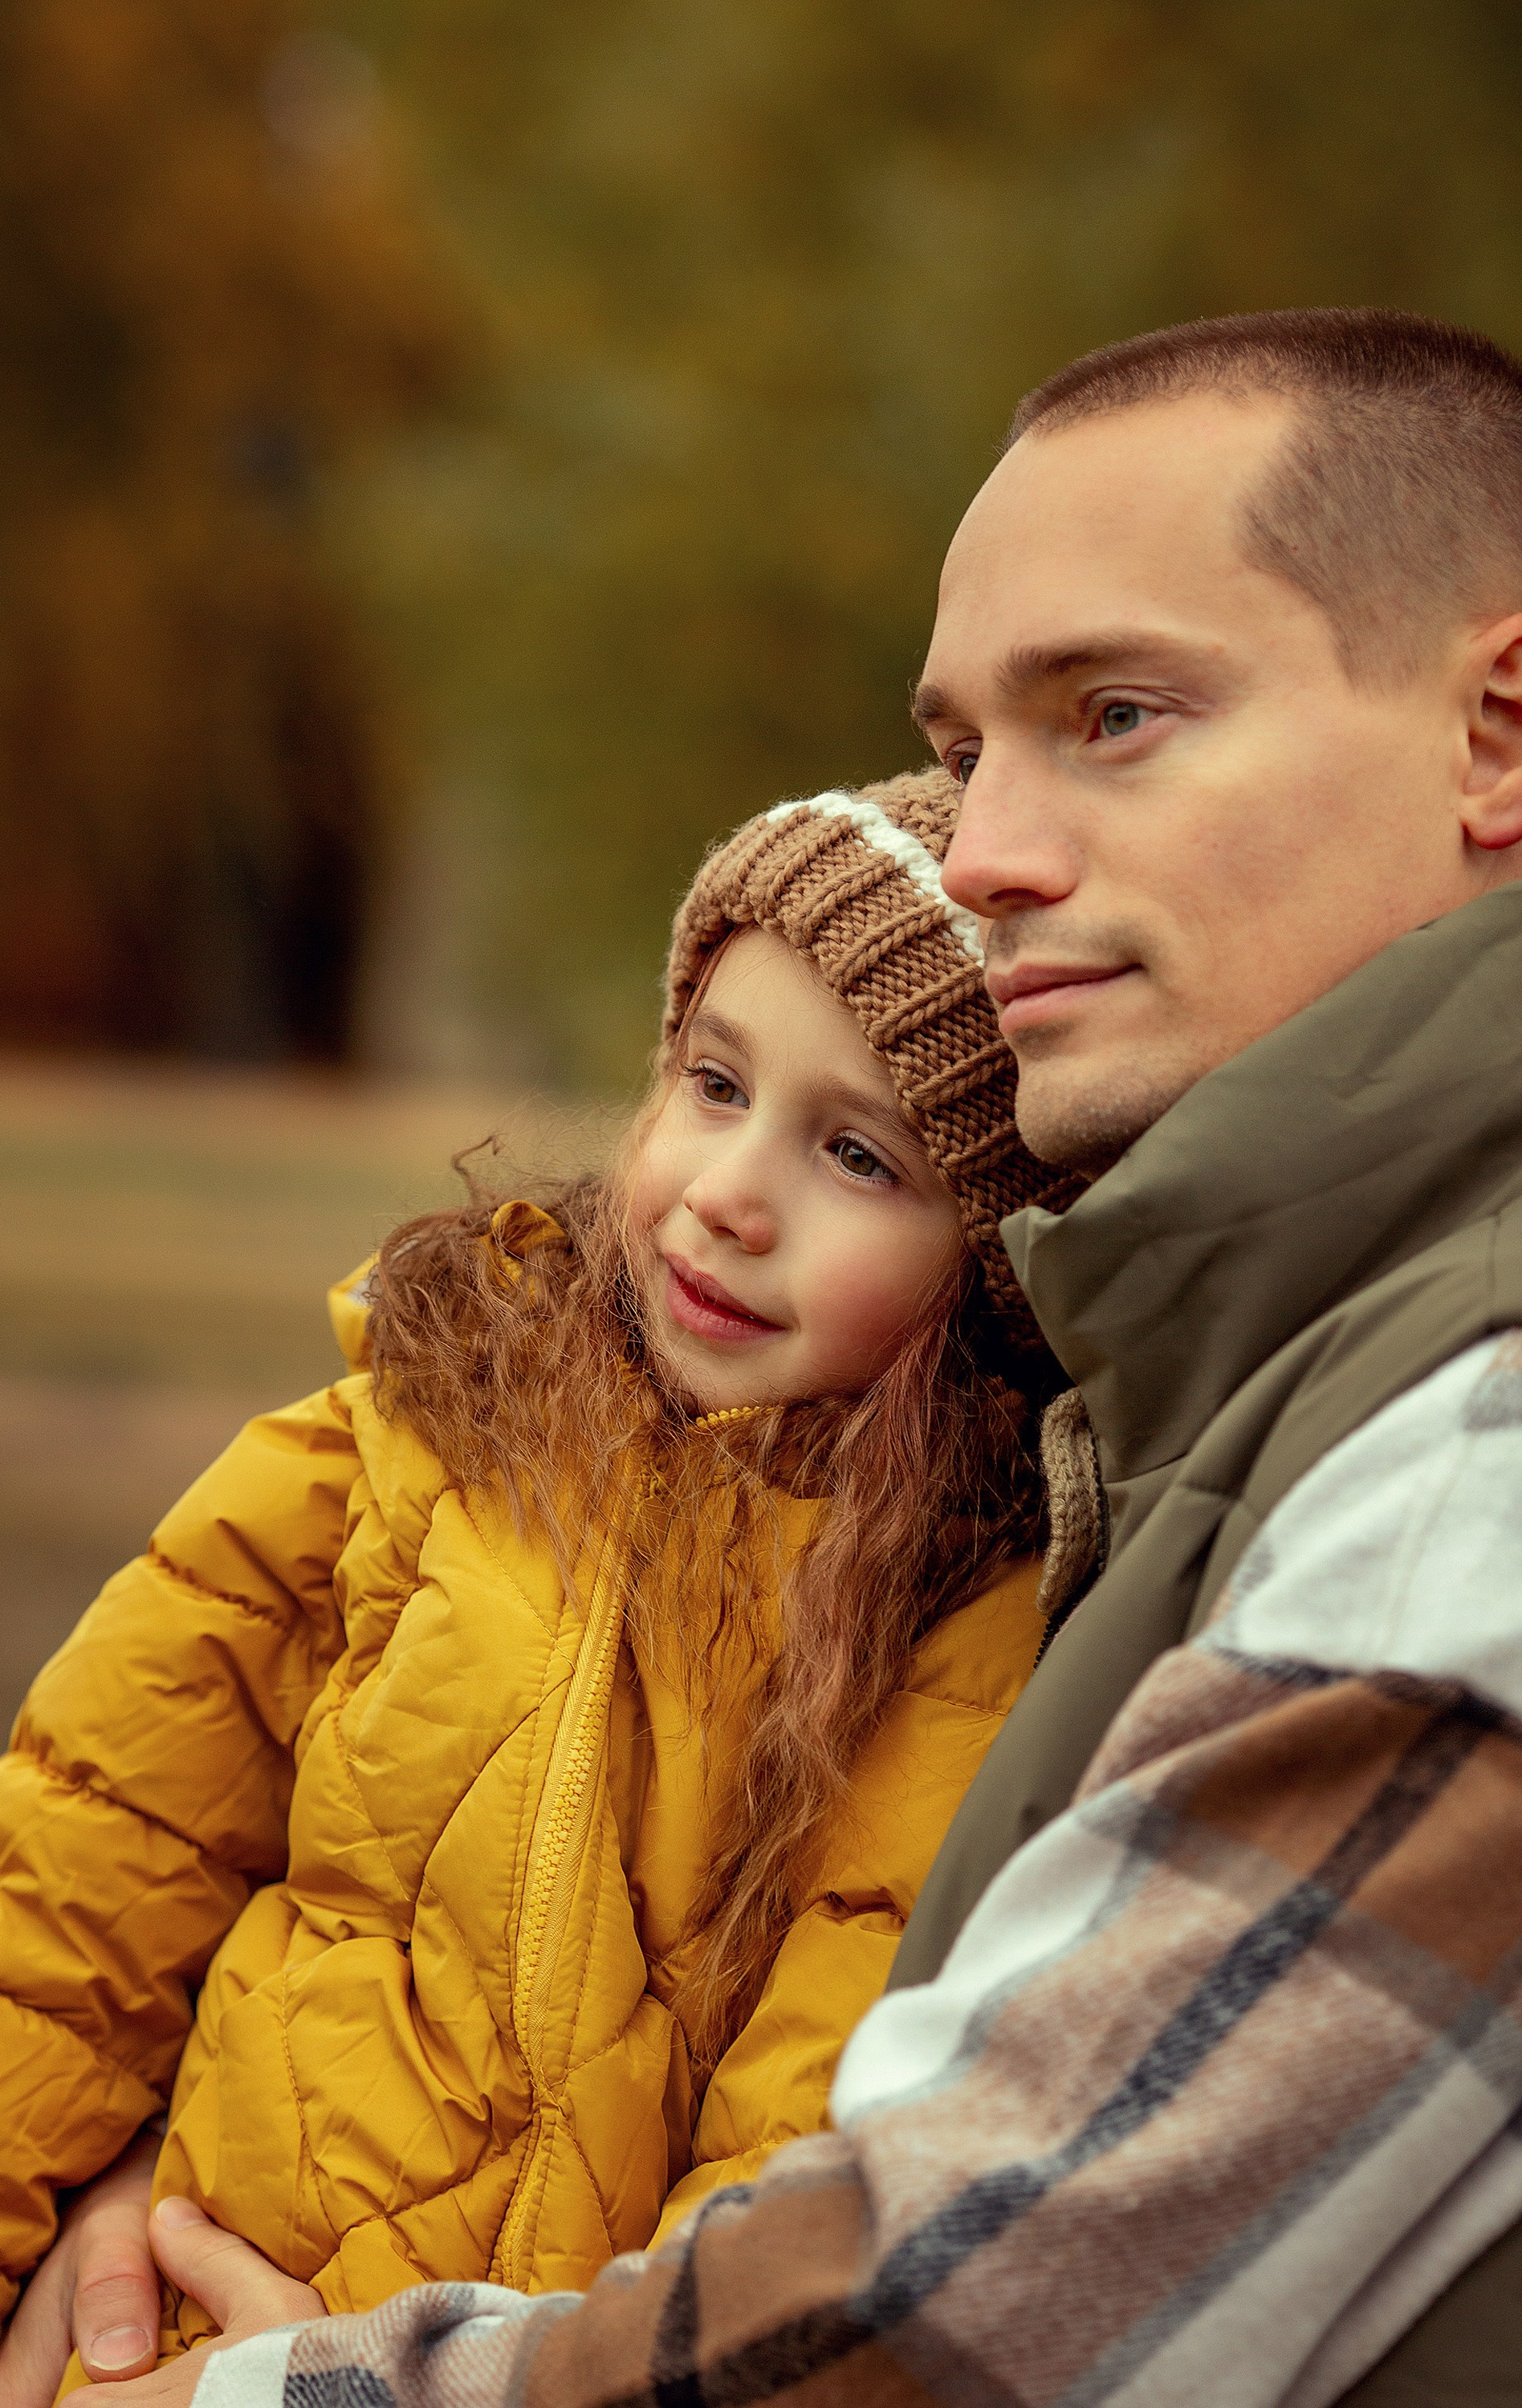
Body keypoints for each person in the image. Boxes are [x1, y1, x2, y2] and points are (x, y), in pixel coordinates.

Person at [92, 306, 1522, 2408]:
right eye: (961, 755)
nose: (997, 852)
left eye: (1115, 714)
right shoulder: (1230, 1386)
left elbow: (945, 2317)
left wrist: (247, 2394)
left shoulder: (1471, 1437)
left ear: (1498, 738)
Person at [0, 771, 1079, 2408]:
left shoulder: (963, 1643)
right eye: (715, 1082)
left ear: (993, 1252)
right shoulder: (405, 1437)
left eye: (859, 1157)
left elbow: (793, 2180)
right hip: (146, 2337)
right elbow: (49, 1900)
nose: (731, 1191)